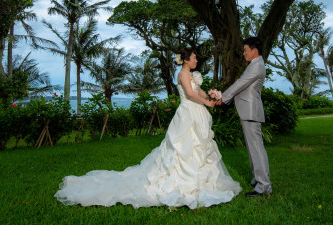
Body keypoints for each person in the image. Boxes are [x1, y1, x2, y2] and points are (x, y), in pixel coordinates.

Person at [55, 48, 241, 209]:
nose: (196, 60)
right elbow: (191, 94)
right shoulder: (183, 74)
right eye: (194, 58)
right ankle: (183, 180)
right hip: (187, 113)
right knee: (183, 147)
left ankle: (204, 180)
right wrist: (207, 103)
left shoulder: (192, 74)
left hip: (197, 112)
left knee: (200, 146)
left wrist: (210, 98)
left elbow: (198, 90)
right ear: (185, 60)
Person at [212, 36, 272, 197]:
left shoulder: (256, 66)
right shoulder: (255, 64)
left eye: (246, 50)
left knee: (257, 149)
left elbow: (240, 84)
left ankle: (264, 186)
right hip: (248, 110)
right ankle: (258, 179)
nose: (244, 53)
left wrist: (222, 98)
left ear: (254, 50)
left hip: (251, 111)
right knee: (253, 148)